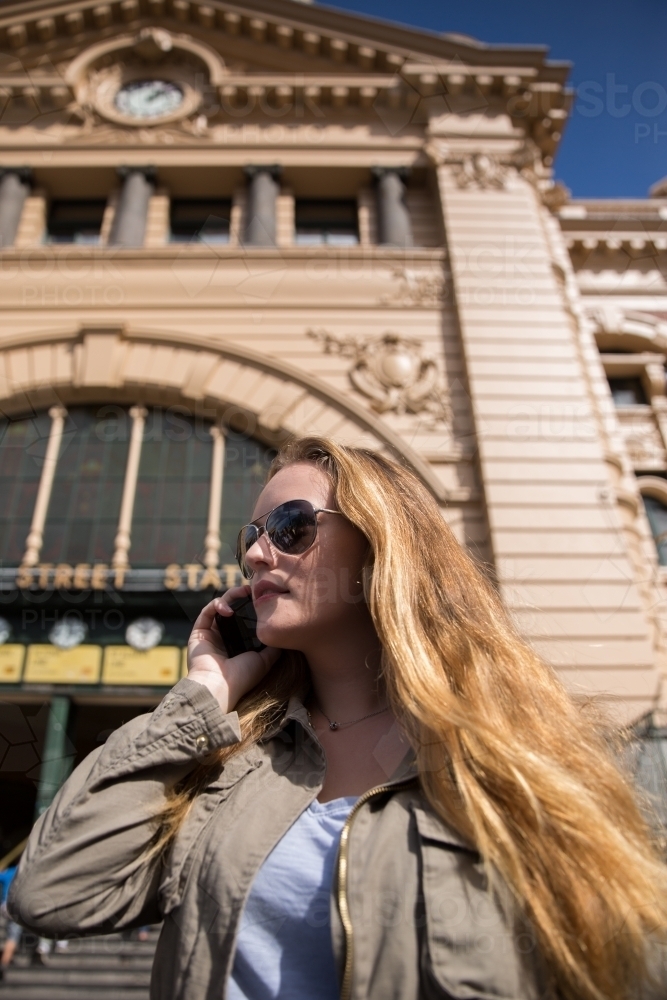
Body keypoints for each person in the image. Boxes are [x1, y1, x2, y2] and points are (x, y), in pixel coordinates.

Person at [8, 436, 667, 1000]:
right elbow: (51, 893)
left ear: (382, 539)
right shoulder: (231, 763)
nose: (258, 555)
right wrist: (199, 700)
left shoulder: (523, 758)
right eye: (252, 537)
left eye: (292, 527)